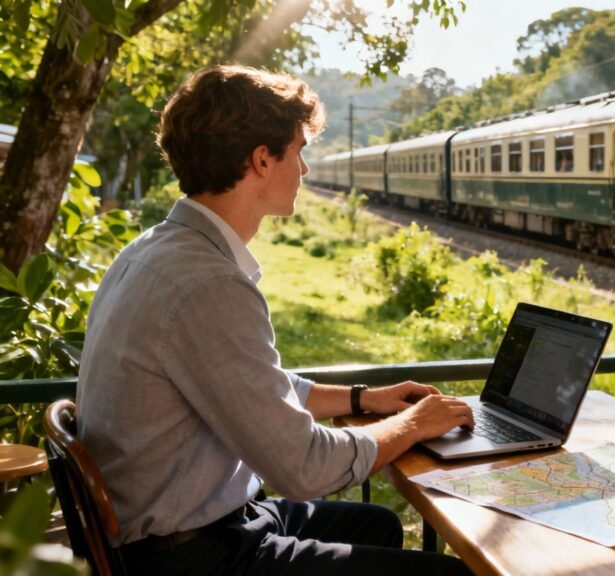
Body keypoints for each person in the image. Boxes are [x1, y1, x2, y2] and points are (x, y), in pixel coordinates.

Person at [76, 65, 475, 576]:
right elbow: (305, 467)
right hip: (187, 555)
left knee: (377, 525)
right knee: (449, 573)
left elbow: (248, 386)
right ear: (262, 160)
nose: (305, 170)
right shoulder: (208, 284)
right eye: (300, 151)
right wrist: (414, 424)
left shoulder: (153, 250)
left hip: (189, 524)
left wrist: (361, 399)